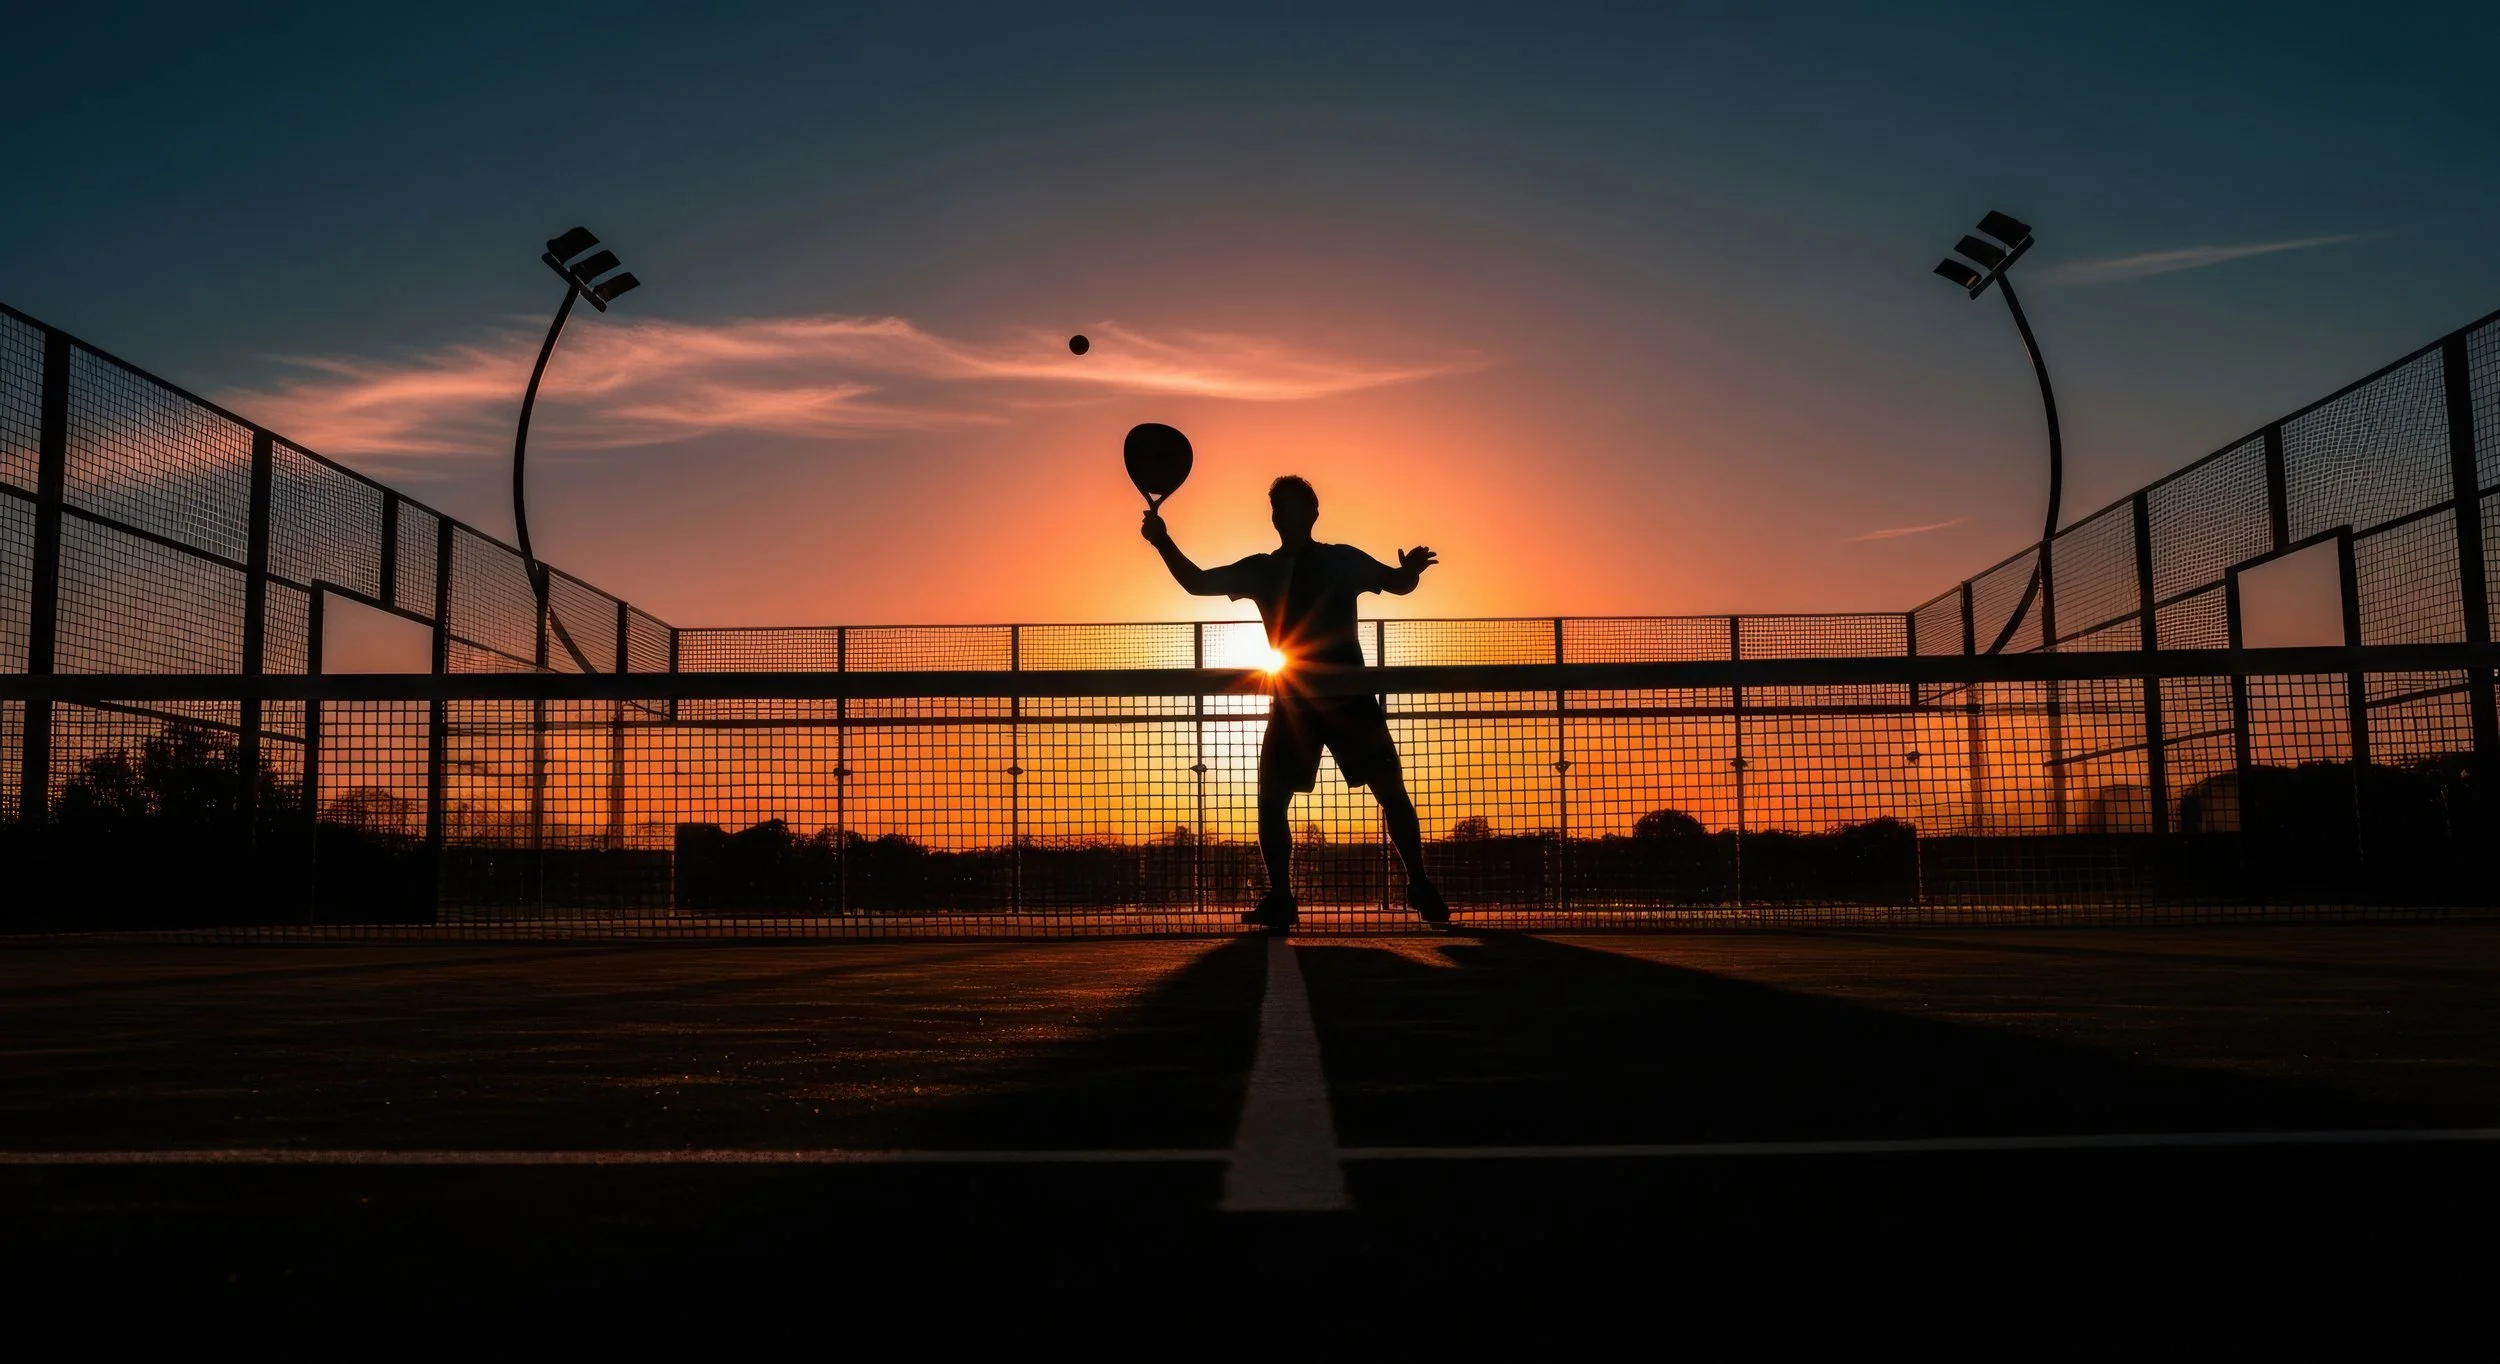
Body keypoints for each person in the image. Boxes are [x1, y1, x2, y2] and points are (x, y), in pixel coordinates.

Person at [1143, 475, 1448, 931]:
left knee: (1391, 793)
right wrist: (1162, 541)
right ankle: (1283, 899)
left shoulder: (1341, 559)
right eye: (1277, 507)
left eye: (1290, 506)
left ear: (1313, 512)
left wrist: (1411, 573)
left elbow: (1398, 583)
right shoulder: (1263, 568)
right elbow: (1195, 583)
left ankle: (1420, 885)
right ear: (1274, 517)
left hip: (1346, 695)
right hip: (1298, 700)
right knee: (1272, 802)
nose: (1281, 514)